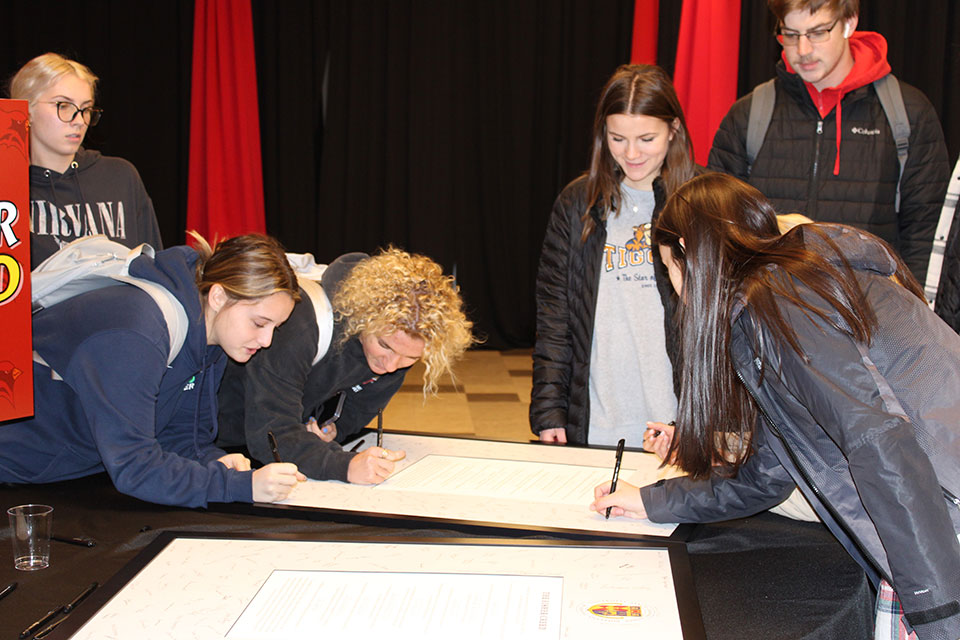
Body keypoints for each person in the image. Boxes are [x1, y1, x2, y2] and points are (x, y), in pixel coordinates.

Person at [592, 173, 960, 640]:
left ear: (687, 249)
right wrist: (651, 500)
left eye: (670, 270)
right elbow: (765, 476)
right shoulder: (792, 288)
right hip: (930, 525)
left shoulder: (782, 301)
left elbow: (878, 442)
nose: (677, 290)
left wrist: (939, 611)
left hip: (939, 536)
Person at [0, 233, 306, 507]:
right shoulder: (136, 335)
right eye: (259, 323)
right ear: (218, 296)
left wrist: (217, 462)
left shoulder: (211, 337)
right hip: (17, 468)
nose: (265, 341)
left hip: (63, 477)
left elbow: (181, 439)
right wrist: (238, 486)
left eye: (274, 329)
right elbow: (134, 466)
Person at [707, 0, 950, 285]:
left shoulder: (907, 113)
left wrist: (907, 316)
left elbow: (926, 233)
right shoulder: (748, 115)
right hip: (769, 315)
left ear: (849, 23)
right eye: (791, 35)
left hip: (872, 317)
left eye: (818, 32)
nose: (803, 50)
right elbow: (720, 224)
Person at [530, 63, 697, 446]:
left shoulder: (703, 200)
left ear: (673, 131)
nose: (632, 153)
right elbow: (554, 316)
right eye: (618, 138)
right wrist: (549, 410)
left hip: (678, 421)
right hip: (597, 417)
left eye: (646, 139)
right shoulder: (577, 204)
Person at [217, 247, 474, 483]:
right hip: (216, 434)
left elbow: (356, 411)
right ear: (362, 318)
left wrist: (330, 429)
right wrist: (342, 465)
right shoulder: (300, 323)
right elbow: (270, 434)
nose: (391, 366)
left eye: (411, 359)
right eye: (385, 346)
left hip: (270, 441)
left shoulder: (396, 349)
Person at [8, 53, 162, 268]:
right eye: (63, 106)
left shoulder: (120, 176)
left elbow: (152, 266)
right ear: (27, 109)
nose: (79, 121)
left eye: (86, 109)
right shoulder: (8, 188)